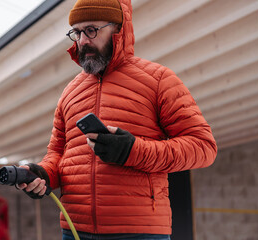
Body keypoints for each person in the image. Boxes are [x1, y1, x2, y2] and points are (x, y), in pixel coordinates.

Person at [17, 0, 217, 239]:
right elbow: (58, 155)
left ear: (118, 28)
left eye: (91, 30)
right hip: (74, 230)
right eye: (77, 32)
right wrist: (42, 175)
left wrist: (132, 150)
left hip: (138, 232)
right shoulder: (70, 92)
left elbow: (204, 147)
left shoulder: (158, 80)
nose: (82, 41)